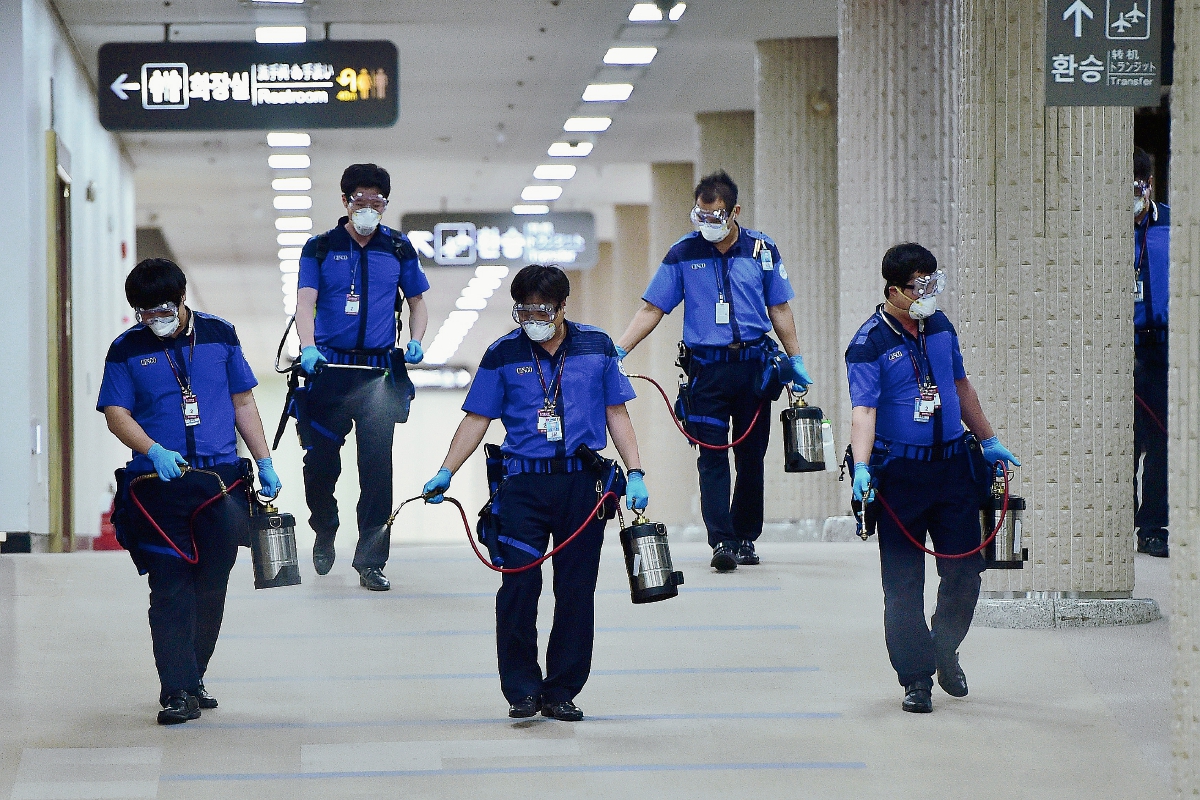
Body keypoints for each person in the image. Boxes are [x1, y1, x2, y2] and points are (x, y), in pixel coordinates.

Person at [422, 265, 649, 721]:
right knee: (519, 586)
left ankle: (561, 690)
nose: (532, 318)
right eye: (523, 310)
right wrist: (446, 471)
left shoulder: (597, 346)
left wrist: (636, 470)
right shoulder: (502, 353)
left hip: (581, 485)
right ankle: (522, 689)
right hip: (522, 486)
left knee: (575, 590)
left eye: (542, 309)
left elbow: (616, 413)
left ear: (564, 307)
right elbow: (477, 418)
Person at [98, 258, 281, 725]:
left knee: (211, 585)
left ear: (181, 300)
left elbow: (242, 400)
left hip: (220, 483)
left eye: (160, 307)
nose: (152, 317)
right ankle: (176, 690)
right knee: (170, 587)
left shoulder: (220, 335)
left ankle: (194, 673)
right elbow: (117, 412)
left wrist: (263, 461)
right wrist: (153, 450)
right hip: (157, 485)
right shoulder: (125, 349)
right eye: (142, 311)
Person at [845, 242, 1019, 714]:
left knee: (965, 569)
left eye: (931, 283)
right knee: (903, 584)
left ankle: (944, 647)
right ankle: (916, 677)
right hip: (899, 473)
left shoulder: (940, 327)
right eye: (918, 286)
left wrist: (987, 438)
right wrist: (862, 467)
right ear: (893, 291)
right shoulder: (868, 343)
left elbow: (959, 384)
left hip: (951, 468)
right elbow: (863, 410)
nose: (927, 294)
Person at [615, 170, 811, 572]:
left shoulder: (761, 250)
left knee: (751, 458)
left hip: (755, 368)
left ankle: (745, 537)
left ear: (734, 211)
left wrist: (796, 359)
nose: (708, 224)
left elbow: (780, 308)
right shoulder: (683, 253)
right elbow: (652, 307)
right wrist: (619, 350)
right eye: (701, 216)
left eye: (716, 216)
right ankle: (721, 540)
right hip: (706, 372)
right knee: (712, 457)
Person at [295, 163, 430, 591]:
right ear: (345, 202)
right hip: (329, 372)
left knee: (377, 472)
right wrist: (308, 347)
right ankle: (325, 525)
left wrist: (417, 338)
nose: (369, 209)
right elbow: (304, 303)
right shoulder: (319, 247)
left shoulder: (398, 248)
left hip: (377, 374)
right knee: (319, 465)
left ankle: (370, 560)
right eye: (361, 202)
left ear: (386, 205)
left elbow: (418, 303)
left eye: (377, 203)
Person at [1133, 147, 1170, 558]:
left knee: (1161, 439)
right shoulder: (1100, 229)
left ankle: (1153, 526)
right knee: (1121, 440)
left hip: (1160, 344)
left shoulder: (1173, 224)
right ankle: (1114, 518)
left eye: (1138, 185)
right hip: (1115, 345)